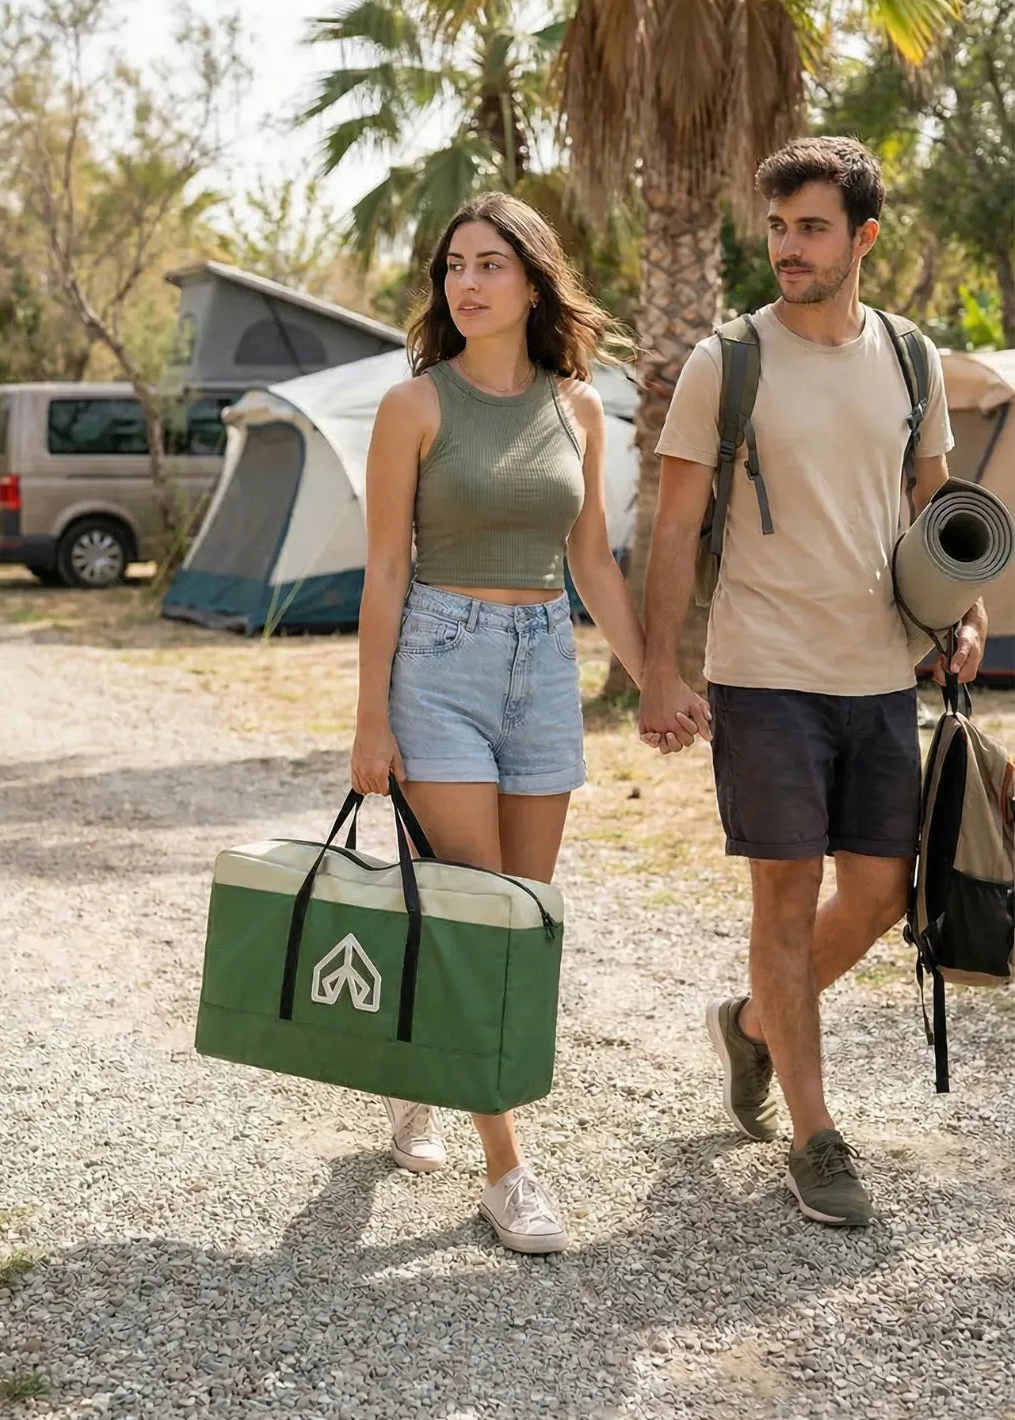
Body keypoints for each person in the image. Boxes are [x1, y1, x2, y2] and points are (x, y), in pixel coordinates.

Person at [639, 137, 987, 1227]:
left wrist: (964, 610)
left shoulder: (911, 357)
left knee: (882, 896)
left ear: (863, 238)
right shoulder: (725, 361)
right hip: (764, 672)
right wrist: (660, 669)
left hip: (880, 672)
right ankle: (814, 1133)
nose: (788, 247)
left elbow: (941, 514)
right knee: (783, 899)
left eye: (813, 228)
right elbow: (677, 527)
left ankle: (750, 1029)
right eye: (780, 227)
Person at [350, 193, 644, 1254]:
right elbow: (386, 569)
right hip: (437, 664)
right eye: (453, 266)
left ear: (533, 279)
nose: (466, 284)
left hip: (544, 669)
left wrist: (655, 677)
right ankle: (509, 1170)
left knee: (525, 918)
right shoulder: (412, 407)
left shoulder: (580, 406)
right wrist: (369, 721)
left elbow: (594, 560)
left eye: (490, 264)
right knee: (478, 914)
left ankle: (423, 1064)